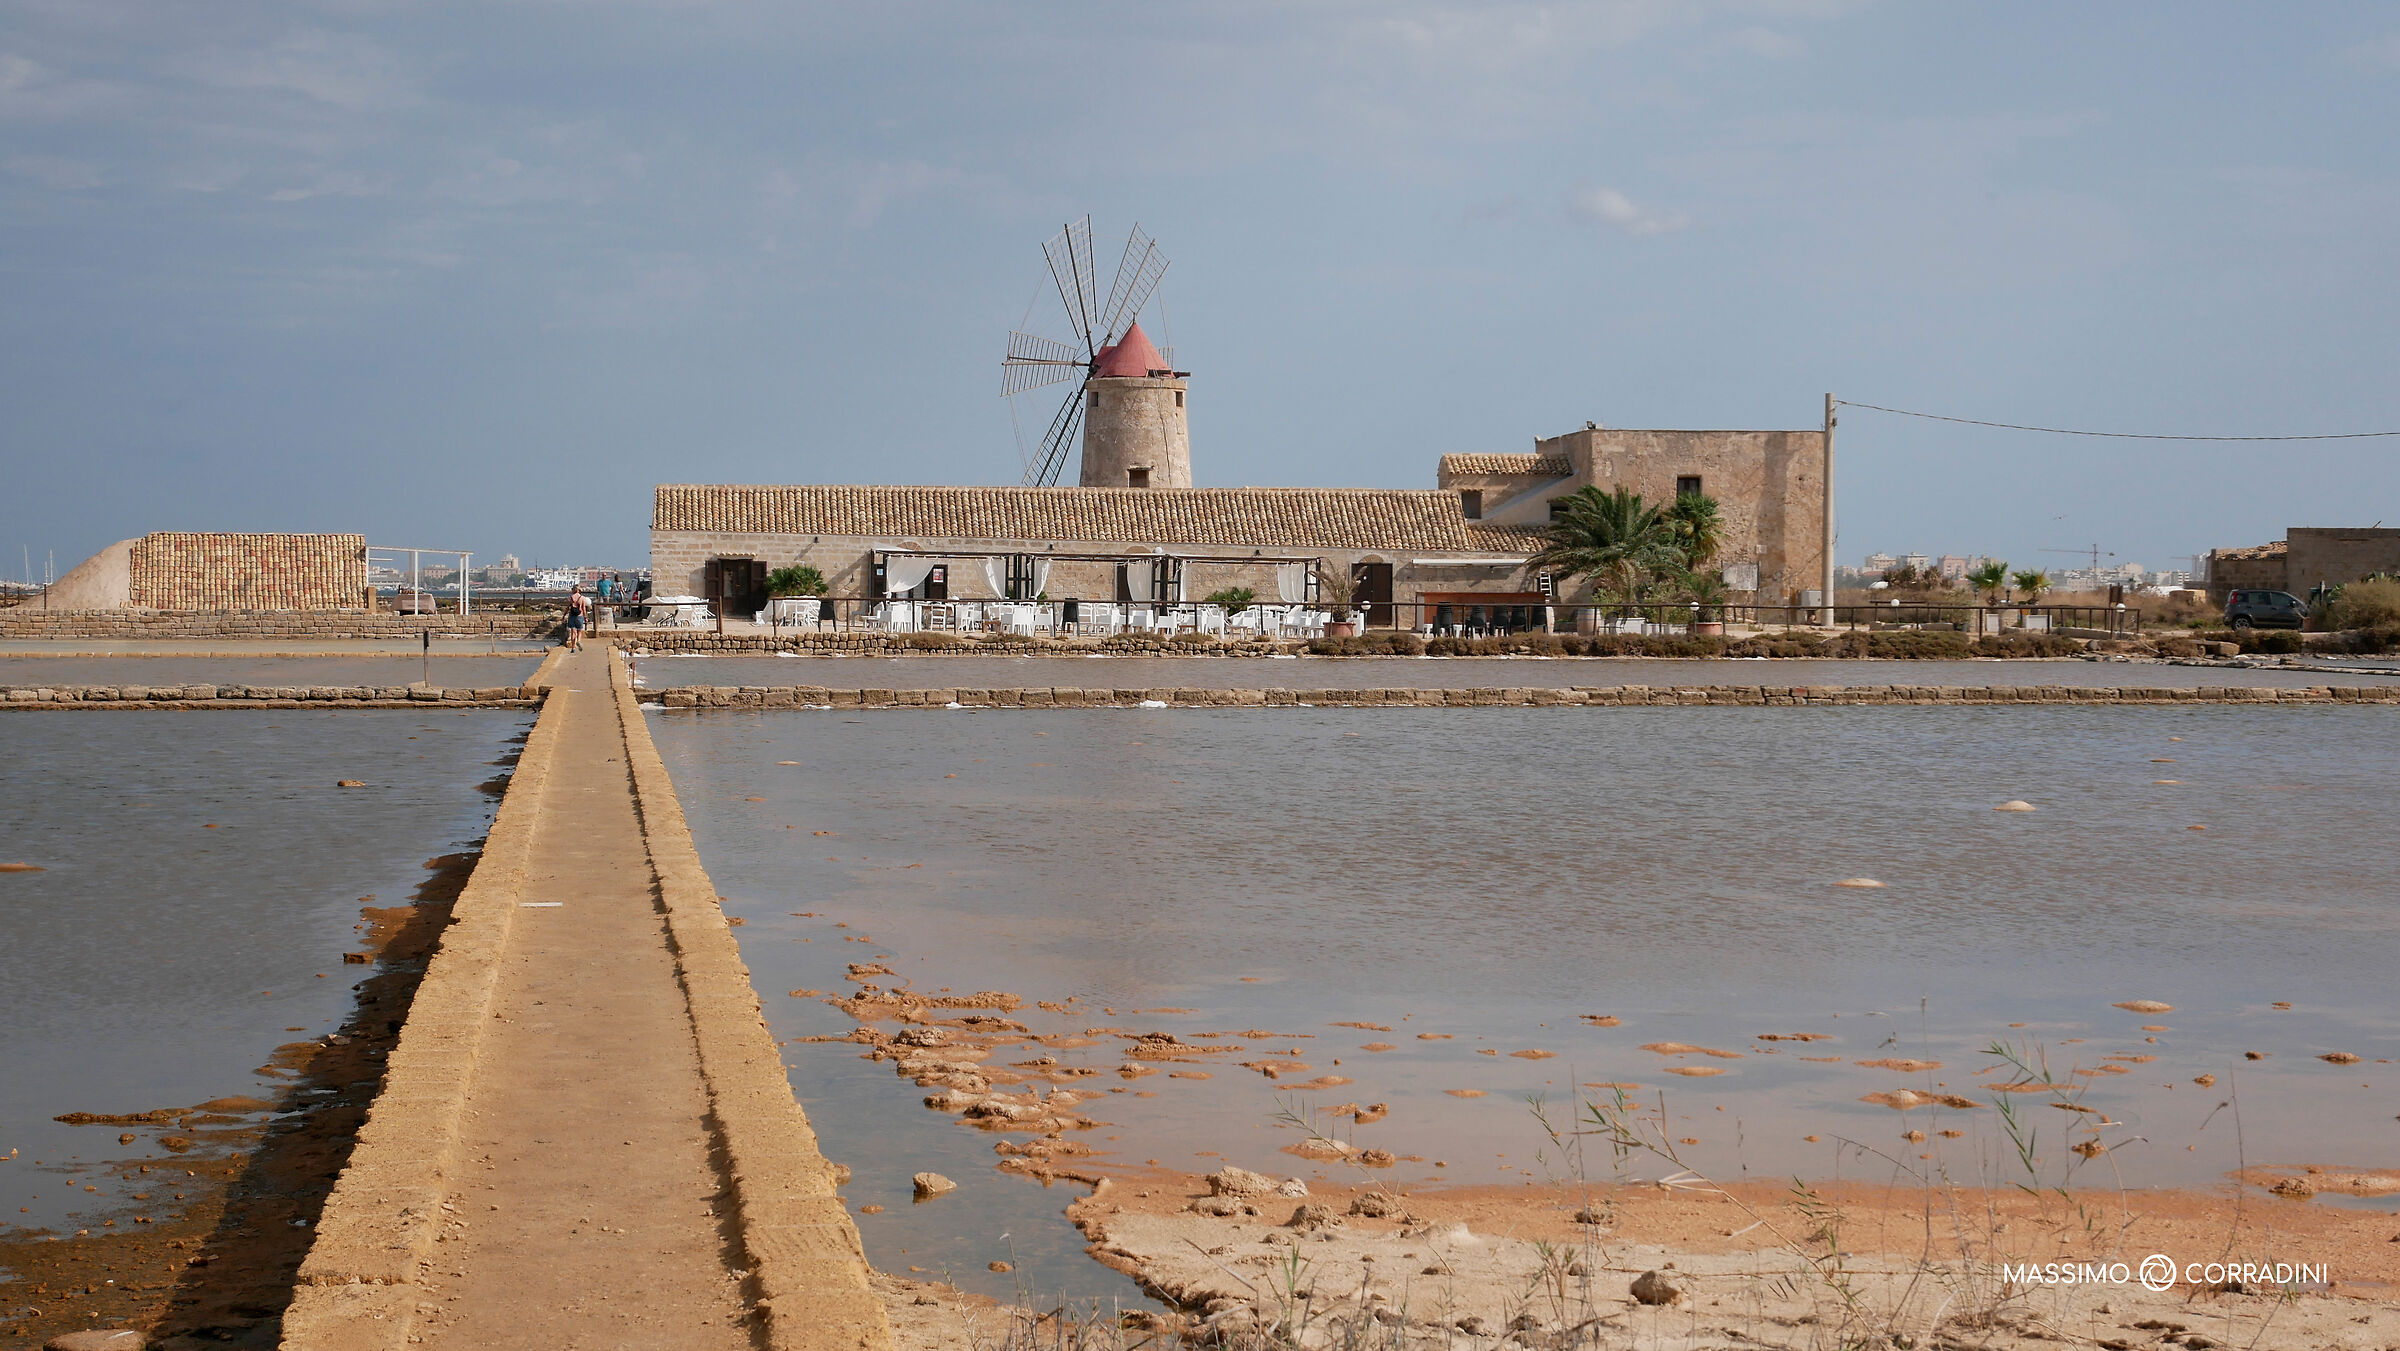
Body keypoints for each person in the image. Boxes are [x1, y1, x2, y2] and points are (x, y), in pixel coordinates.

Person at [565, 583, 589, 652]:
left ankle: (573, 648)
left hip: (572, 615)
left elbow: (568, 607)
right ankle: (578, 640)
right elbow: (584, 609)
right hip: (579, 615)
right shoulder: (582, 598)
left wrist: (564, 615)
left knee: (573, 631)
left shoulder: (571, 597)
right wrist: (586, 617)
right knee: (579, 630)